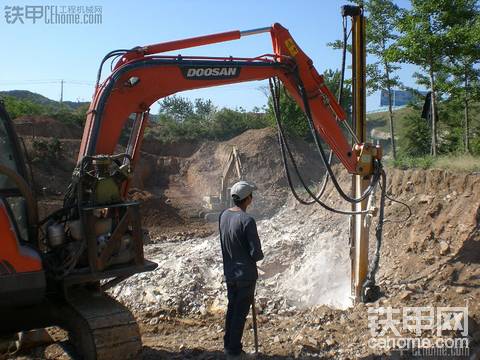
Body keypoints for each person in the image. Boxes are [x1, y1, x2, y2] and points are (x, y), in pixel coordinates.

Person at [219, 180, 264, 359]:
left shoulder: (223, 216)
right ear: (248, 199)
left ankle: (228, 347)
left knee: (232, 310)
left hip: (230, 273)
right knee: (240, 314)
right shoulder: (247, 220)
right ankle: (234, 352)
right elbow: (256, 253)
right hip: (245, 276)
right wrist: (258, 256)